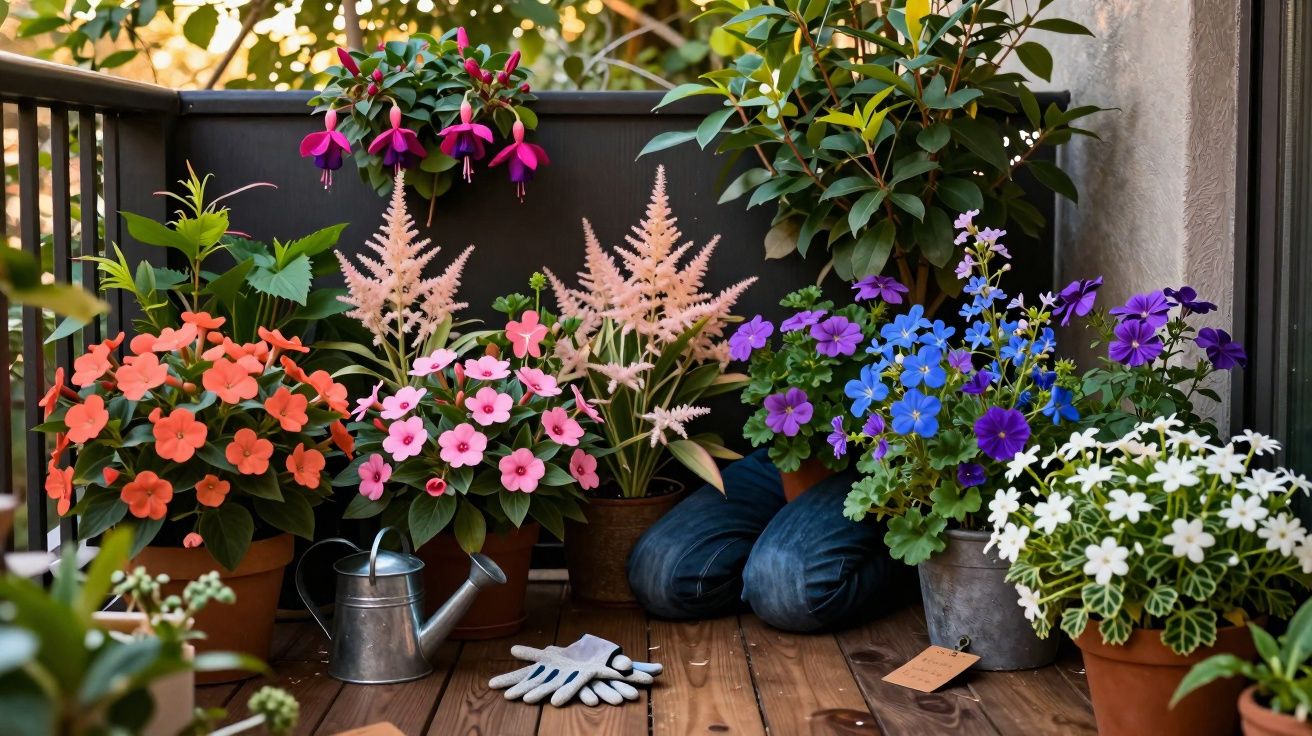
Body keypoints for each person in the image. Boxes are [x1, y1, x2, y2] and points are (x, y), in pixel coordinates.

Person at [627, 449, 907, 632]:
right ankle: (770, 566)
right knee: (657, 573)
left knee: (790, 589)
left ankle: (911, 551)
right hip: (800, 447)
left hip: (890, 458)